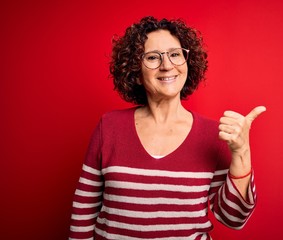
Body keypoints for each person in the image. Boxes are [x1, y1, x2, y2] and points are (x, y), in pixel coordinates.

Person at [69, 16, 266, 240]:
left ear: (187, 63)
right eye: (153, 57)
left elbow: (234, 219)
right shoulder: (109, 126)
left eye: (175, 54)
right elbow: (83, 210)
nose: (166, 65)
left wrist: (241, 152)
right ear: (136, 71)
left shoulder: (214, 135)